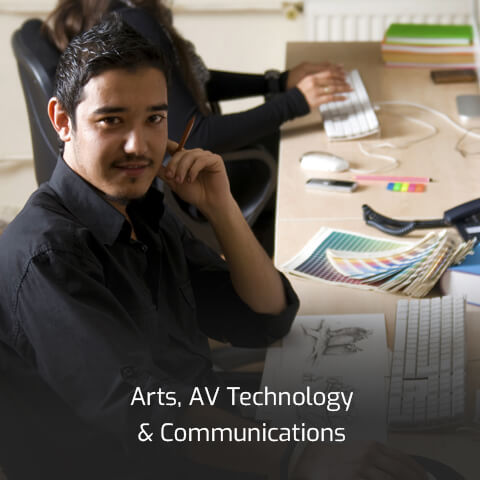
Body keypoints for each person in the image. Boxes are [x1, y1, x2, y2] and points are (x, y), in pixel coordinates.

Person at [0, 14, 431, 480]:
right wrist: (298, 459)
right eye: (111, 120)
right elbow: (145, 413)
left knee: (399, 427)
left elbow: (265, 317)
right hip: (142, 457)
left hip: (199, 414)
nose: (138, 144)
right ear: (63, 121)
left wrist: (221, 207)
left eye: (154, 119)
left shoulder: (141, 209)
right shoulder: (48, 256)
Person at [43, 0, 352, 155]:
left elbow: (186, 86)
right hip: (195, 182)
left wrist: (275, 83)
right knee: (315, 148)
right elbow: (193, 137)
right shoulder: (133, 22)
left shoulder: (103, 10)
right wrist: (295, 102)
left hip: (176, 176)